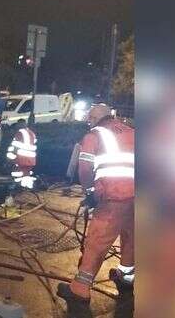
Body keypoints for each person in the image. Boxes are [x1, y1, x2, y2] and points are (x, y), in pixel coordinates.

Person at [57, 104, 135, 305]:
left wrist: (90, 191)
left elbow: (84, 168)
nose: (88, 121)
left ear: (96, 117)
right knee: (133, 237)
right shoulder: (132, 131)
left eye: (89, 117)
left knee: (97, 242)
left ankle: (80, 290)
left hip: (114, 197)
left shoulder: (95, 135)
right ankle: (126, 278)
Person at [6, 122, 37, 189]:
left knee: (17, 173)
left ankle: (15, 186)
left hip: (21, 159)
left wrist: (10, 158)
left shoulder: (19, 133)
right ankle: (27, 186)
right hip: (31, 159)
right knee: (26, 174)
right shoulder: (31, 133)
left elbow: (15, 147)